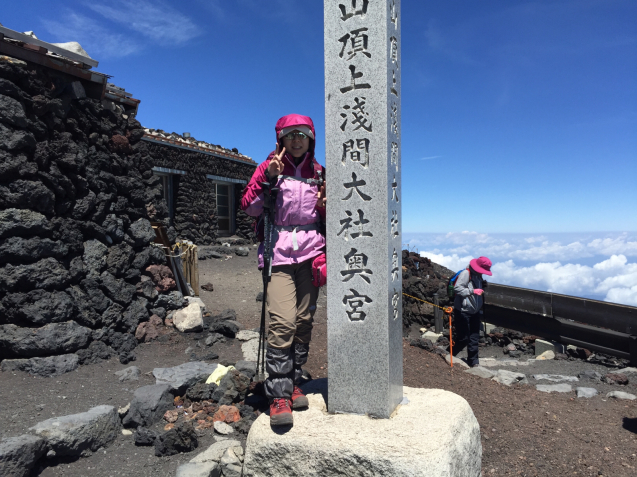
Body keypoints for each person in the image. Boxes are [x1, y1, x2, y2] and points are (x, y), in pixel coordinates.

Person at [240, 114, 326, 426]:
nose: (297, 141)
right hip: (278, 255)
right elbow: (249, 207)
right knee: (282, 322)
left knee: (304, 321)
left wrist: (327, 204)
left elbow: (328, 215)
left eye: (302, 135)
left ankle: (293, 382)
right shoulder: (268, 168)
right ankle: (277, 395)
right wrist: (269, 180)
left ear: (311, 139)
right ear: (280, 140)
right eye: (290, 136)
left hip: (312, 255)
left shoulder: (319, 172)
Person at [452, 256, 493, 367]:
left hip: (474, 311)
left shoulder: (478, 276)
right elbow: (457, 288)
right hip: (463, 311)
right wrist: (473, 291)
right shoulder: (466, 274)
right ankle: (449, 354)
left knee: (474, 337)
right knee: (463, 338)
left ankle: (474, 362)